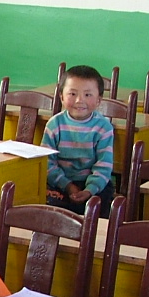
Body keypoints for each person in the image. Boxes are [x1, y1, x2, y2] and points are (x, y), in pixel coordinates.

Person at [41, 63, 114, 214]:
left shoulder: (103, 127)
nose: (79, 100)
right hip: (61, 182)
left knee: (97, 205)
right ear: (61, 96)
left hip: (93, 184)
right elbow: (47, 162)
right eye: (72, 94)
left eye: (87, 95)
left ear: (99, 100)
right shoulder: (54, 124)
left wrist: (89, 190)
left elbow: (104, 165)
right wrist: (67, 186)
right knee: (49, 206)